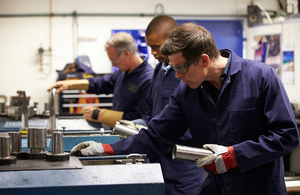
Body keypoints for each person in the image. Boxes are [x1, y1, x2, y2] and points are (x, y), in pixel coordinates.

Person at [71, 23, 299, 194]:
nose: (177, 76)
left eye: (181, 67)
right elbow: (156, 136)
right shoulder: (187, 91)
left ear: (204, 60)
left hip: (259, 188)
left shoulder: (261, 77)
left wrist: (234, 156)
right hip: (216, 186)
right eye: (173, 68)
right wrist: (105, 149)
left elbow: (287, 135)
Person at [128, 15, 205, 195]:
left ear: (173, 40)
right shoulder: (159, 70)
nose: (153, 52)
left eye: (157, 47)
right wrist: (135, 125)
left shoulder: (190, 74)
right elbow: (151, 112)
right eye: (150, 47)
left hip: (183, 166)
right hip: (158, 162)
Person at [47, 32, 154, 127]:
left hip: (133, 138)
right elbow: (102, 83)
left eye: (113, 60)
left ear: (126, 54)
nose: (113, 64)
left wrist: (101, 115)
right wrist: (70, 84)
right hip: (119, 131)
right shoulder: (123, 72)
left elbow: (141, 119)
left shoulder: (148, 80)